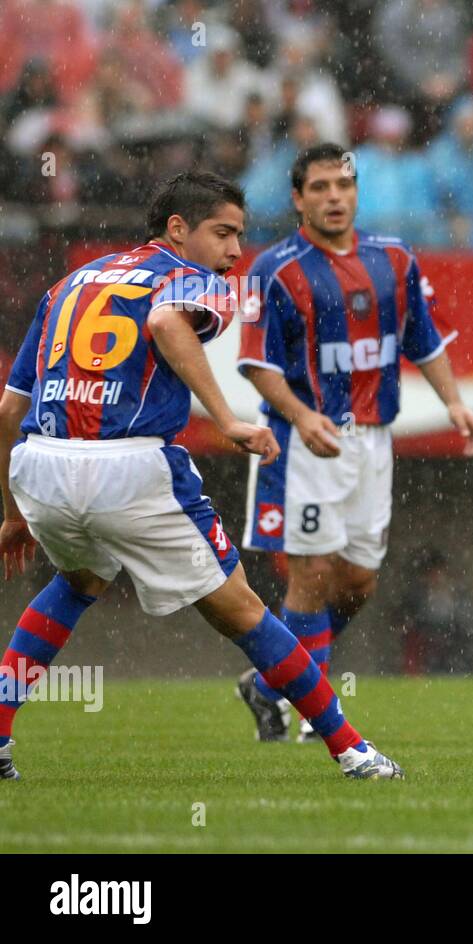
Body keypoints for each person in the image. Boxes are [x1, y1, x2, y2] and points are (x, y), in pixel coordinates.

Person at [0, 171, 402, 780]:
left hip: (41, 463)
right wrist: (228, 419)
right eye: (223, 233)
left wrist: (11, 513)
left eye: (240, 236)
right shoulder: (190, 279)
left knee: (77, 582)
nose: (236, 252)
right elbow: (165, 323)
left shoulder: (69, 283)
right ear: (178, 229)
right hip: (128, 467)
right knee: (242, 611)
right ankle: (353, 751)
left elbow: (8, 410)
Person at [236, 143, 473, 742]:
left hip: (374, 440)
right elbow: (255, 362)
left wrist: (453, 402)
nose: (333, 197)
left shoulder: (395, 259)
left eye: (343, 186)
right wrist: (299, 416)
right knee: (312, 574)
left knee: (358, 583)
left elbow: (422, 339)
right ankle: (315, 715)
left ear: (356, 193)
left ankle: (271, 681)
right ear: (297, 199)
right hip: (305, 443)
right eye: (319, 187)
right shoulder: (274, 268)